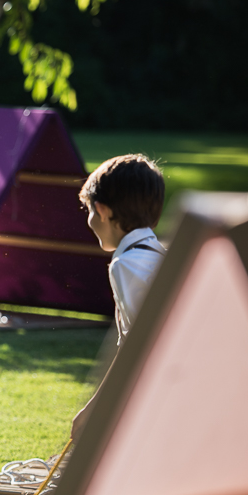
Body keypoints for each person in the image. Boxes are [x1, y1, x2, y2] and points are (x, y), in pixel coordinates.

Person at [71, 154, 166, 439]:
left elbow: (137, 345)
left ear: (102, 211)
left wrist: (96, 408)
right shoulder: (157, 254)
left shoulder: (126, 265)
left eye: (87, 210)